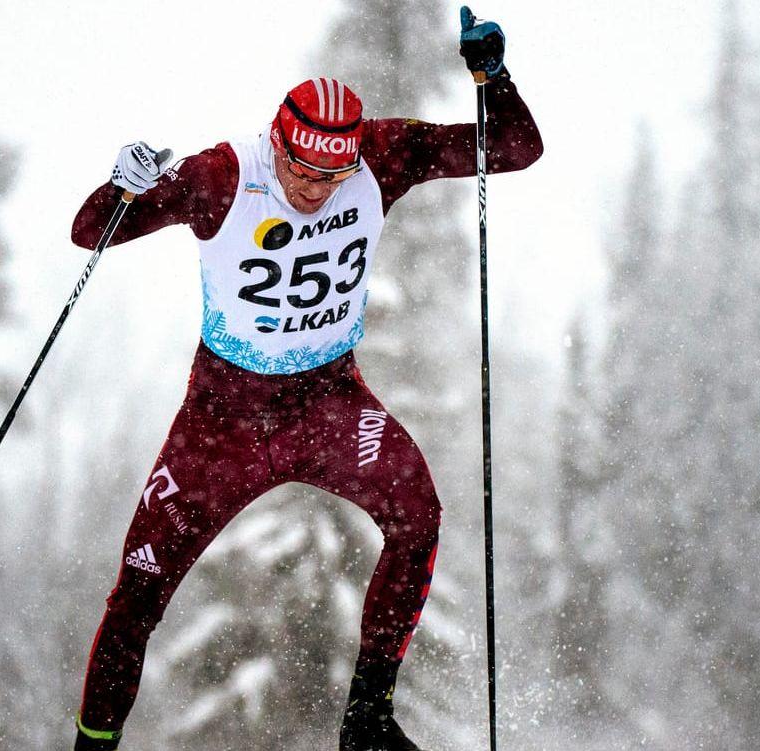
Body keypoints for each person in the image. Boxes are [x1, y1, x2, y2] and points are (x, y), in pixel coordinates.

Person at [67, 8, 540, 750]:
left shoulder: (382, 154)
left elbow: (513, 147)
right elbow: (90, 229)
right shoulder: (223, 174)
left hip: (327, 403)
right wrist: (120, 188)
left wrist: (493, 78)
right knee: (137, 594)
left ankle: (367, 720)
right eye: (300, 169)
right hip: (220, 422)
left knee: (419, 515)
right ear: (276, 142)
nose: (315, 188)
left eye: (333, 173)